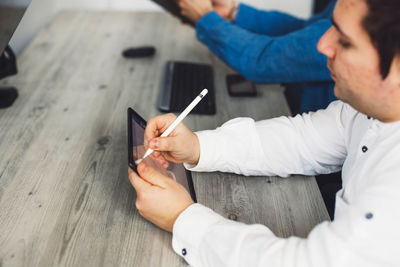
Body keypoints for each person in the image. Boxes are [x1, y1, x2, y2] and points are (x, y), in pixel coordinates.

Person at [128, 0, 400, 265]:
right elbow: (303, 139)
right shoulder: (369, 109)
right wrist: (198, 147)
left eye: (345, 40)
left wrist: (181, 218)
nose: (322, 44)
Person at [178, 0, 337, 113]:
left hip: (308, 132)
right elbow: (303, 30)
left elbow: (264, 60)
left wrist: (206, 18)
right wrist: (233, 11)